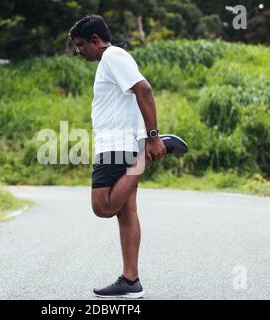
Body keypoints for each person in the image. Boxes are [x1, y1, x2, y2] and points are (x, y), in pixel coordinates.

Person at [69, 15, 166, 299]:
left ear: (95, 41)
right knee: (126, 213)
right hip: (120, 143)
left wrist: (153, 137)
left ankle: (144, 162)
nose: (78, 50)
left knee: (103, 207)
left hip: (116, 147)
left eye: (80, 44)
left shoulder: (113, 56)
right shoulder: (111, 60)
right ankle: (130, 280)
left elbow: (144, 89)